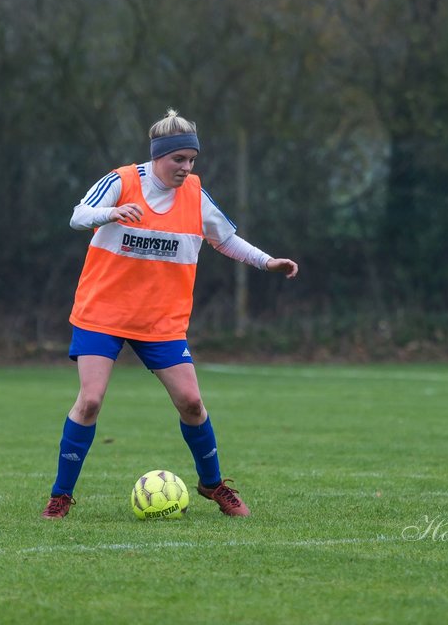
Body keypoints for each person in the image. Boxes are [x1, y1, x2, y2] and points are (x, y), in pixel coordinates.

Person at [42, 109, 299, 519]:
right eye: (178, 159)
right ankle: (60, 496)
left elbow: (225, 239)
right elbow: (78, 216)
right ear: (158, 156)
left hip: (160, 320)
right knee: (89, 401)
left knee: (192, 403)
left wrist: (267, 263)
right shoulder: (121, 181)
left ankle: (212, 485)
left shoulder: (195, 194)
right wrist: (110, 213)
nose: (186, 168)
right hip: (102, 312)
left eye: (192, 160)